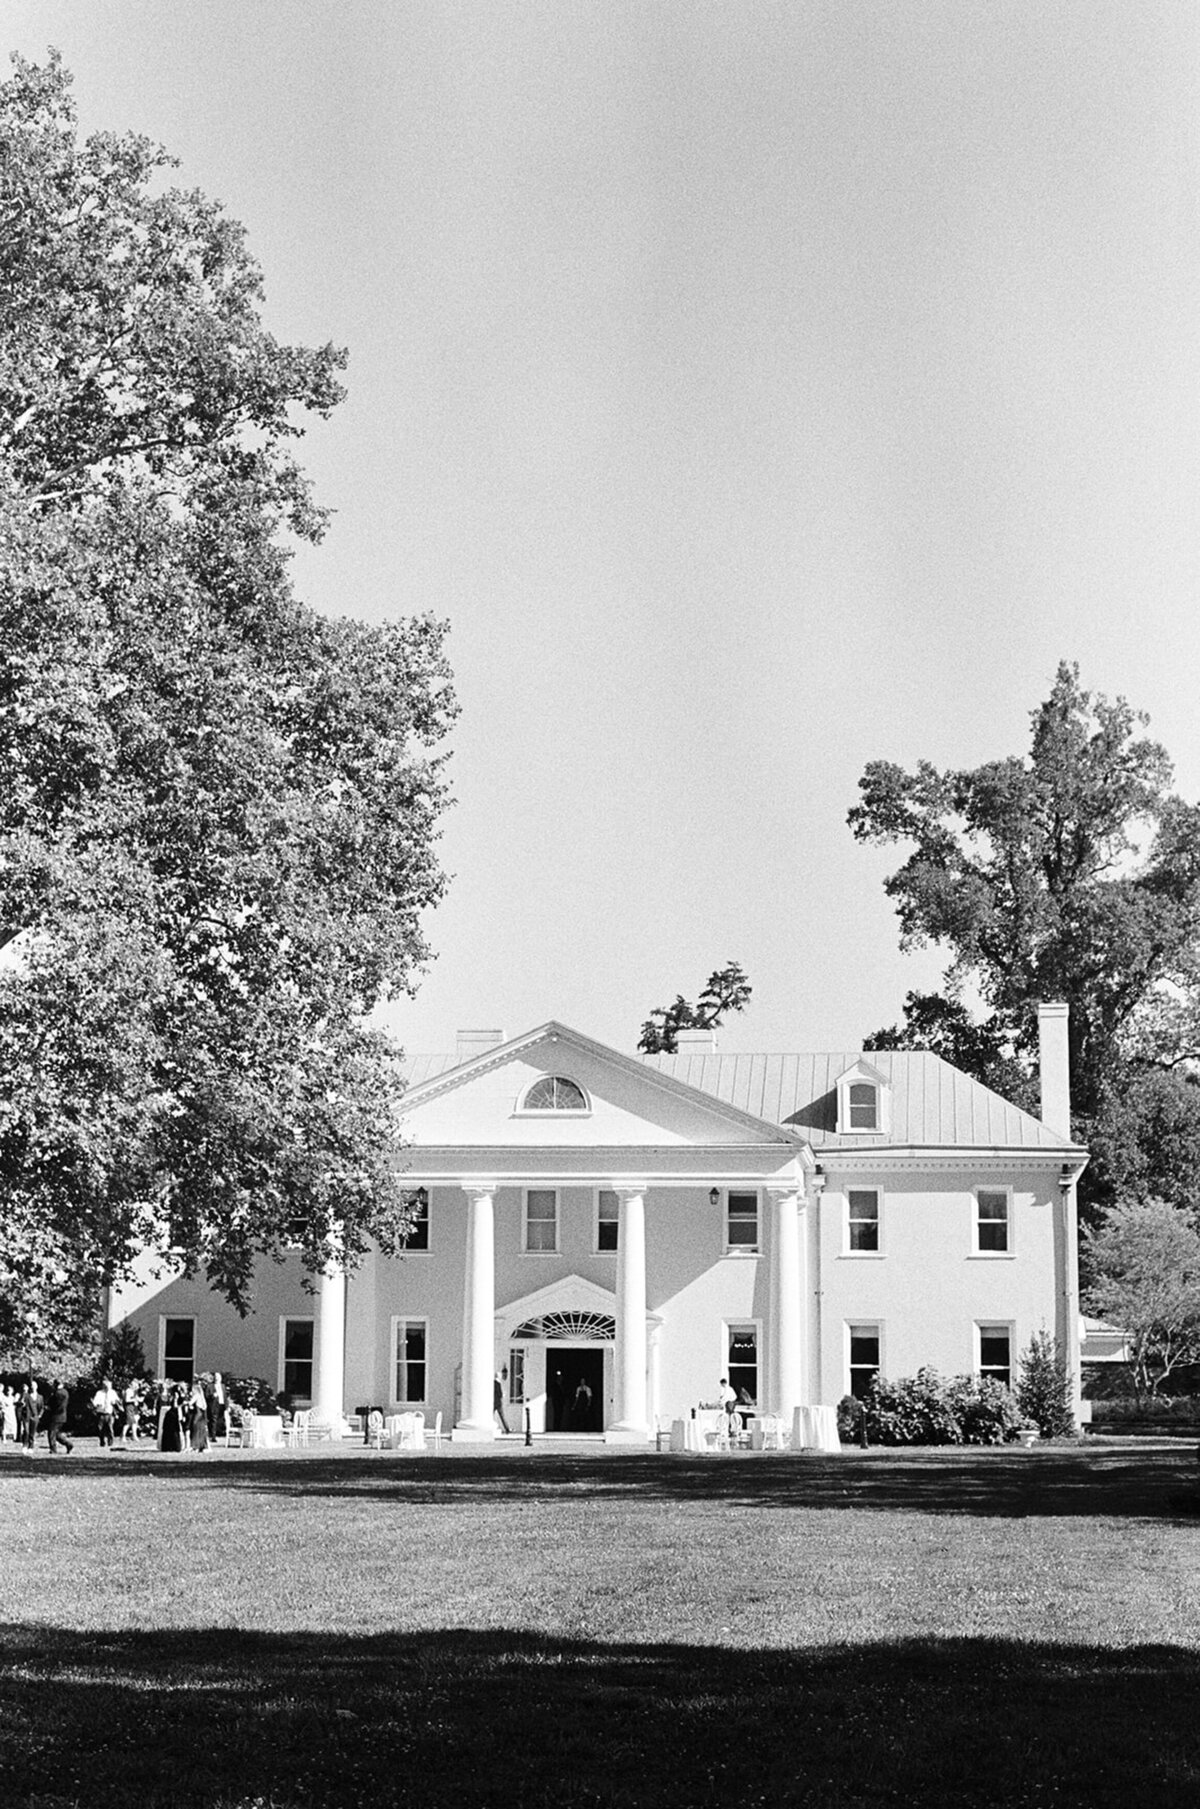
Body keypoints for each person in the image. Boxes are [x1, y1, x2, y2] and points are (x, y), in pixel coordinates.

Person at [45, 1379, 74, 1455]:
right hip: (63, 1416)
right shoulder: (66, 1392)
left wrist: (48, 1407)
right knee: (56, 1434)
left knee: (51, 1433)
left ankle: (53, 1449)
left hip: (55, 1416)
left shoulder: (56, 1394)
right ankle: (68, 1444)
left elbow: (52, 1404)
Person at [92, 1378, 120, 1448]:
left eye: (109, 1386)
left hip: (109, 1413)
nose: (108, 1388)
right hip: (101, 1413)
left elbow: (117, 1400)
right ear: (103, 1386)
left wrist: (114, 1402)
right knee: (100, 1429)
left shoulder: (112, 1392)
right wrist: (97, 1404)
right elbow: (95, 1402)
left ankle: (110, 1442)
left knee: (110, 1428)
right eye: (107, 1386)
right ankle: (102, 1442)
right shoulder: (99, 1393)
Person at [493, 1370, 510, 1434]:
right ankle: (507, 1429)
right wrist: (503, 1395)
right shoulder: (498, 1383)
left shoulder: (492, 1383)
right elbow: (499, 1394)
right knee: (502, 1416)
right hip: (498, 1403)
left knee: (491, 1416)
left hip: (493, 1402)